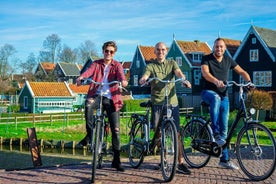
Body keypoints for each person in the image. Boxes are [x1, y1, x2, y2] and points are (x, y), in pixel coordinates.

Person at [139, 42, 192, 175]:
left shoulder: (172, 63)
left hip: (172, 103)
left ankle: (180, 162)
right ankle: (162, 159)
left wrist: (183, 80)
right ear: (155, 51)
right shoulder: (151, 65)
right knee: (158, 134)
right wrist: (143, 79)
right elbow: (146, 74)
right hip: (157, 103)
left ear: (166, 51)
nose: (161, 52)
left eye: (163, 49)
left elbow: (179, 73)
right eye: (158, 50)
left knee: (177, 134)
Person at [76, 41, 128, 172]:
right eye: (106, 51)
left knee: (116, 130)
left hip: (111, 98)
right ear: (103, 51)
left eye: (111, 51)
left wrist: (123, 81)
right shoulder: (96, 64)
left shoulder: (117, 65)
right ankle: (89, 135)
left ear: (114, 53)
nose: (108, 53)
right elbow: (88, 72)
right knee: (88, 105)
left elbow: (122, 76)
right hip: (96, 95)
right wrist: (81, 77)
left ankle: (116, 161)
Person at [201, 38, 251, 170]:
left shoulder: (228, 60)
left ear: (225, 48)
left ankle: (224, 159)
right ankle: (214, 131)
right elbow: (205, 73)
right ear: (213, 47)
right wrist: (216, 81)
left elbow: (241, 71)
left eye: (221, 47)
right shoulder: (206, 59)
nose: (219, 49)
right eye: (217, 47)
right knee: (215, 98)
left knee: (225, 130)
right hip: (208, 92)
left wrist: (249, 81)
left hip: (224, 97)